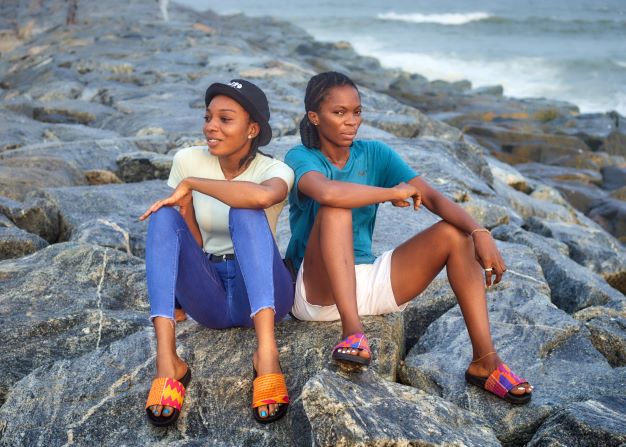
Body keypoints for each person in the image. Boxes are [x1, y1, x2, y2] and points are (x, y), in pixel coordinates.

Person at [284, 71, 533, 404]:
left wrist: (479, 231)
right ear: (314, 117)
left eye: (356, 112)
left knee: (454, 235)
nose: (351, 121)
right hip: (315, 291)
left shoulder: (374, 153)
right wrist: (388, 193)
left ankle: (485, 361)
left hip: (366, 280)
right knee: (335, 208)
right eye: (338, 113)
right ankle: (353, 332)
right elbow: (328, 192)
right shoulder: (300, 157)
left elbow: (432, 197)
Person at [139, 79, 295, 426]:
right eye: (208, 117)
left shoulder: (276, 170)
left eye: (225, 119)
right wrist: (181, 291)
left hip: (262, 293)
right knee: (165, 214)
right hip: (210, 297)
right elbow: (189, 233)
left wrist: (194, 184)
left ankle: (267, 355)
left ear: (252, 129)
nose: (211, 126)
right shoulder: (187, 159)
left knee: (245, 206)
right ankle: (168, 361)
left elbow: (262, 197)